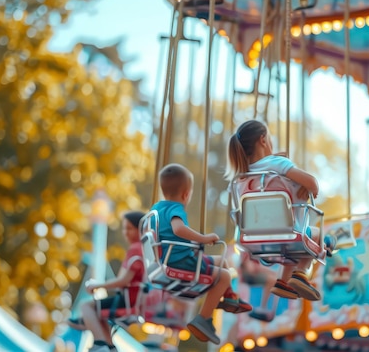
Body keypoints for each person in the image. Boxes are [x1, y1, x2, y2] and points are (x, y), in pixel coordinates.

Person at [151, 163, 252, 345]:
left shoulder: (156, 209)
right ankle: (203, 318)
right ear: (186, 194)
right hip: (181, 261)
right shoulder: (176, 208)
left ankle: (229, 298)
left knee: (222, 261)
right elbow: (178, 228)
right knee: (224, 275)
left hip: (175, 257)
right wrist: (203, 238)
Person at [225, 119, 324, 301]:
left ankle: (283, 282)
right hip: (287, 231)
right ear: (263, 140)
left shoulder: (239, 178)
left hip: (254, 236)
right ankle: (301, 274)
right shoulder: (277, 164)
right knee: (317, 235)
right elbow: (313, 184)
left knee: (291, 248)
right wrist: (306, 185)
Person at [68, 211, 146, 351]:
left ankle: (100, 344)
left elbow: (123, 280)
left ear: (139, 229)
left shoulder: (136, 249)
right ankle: (109, 346)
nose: (125, 233)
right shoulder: (143, 249)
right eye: (124, 228)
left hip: (129, 300)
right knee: (99, 313)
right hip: (135, 299)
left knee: (86, 306)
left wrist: (97, 285)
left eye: (129, 229)